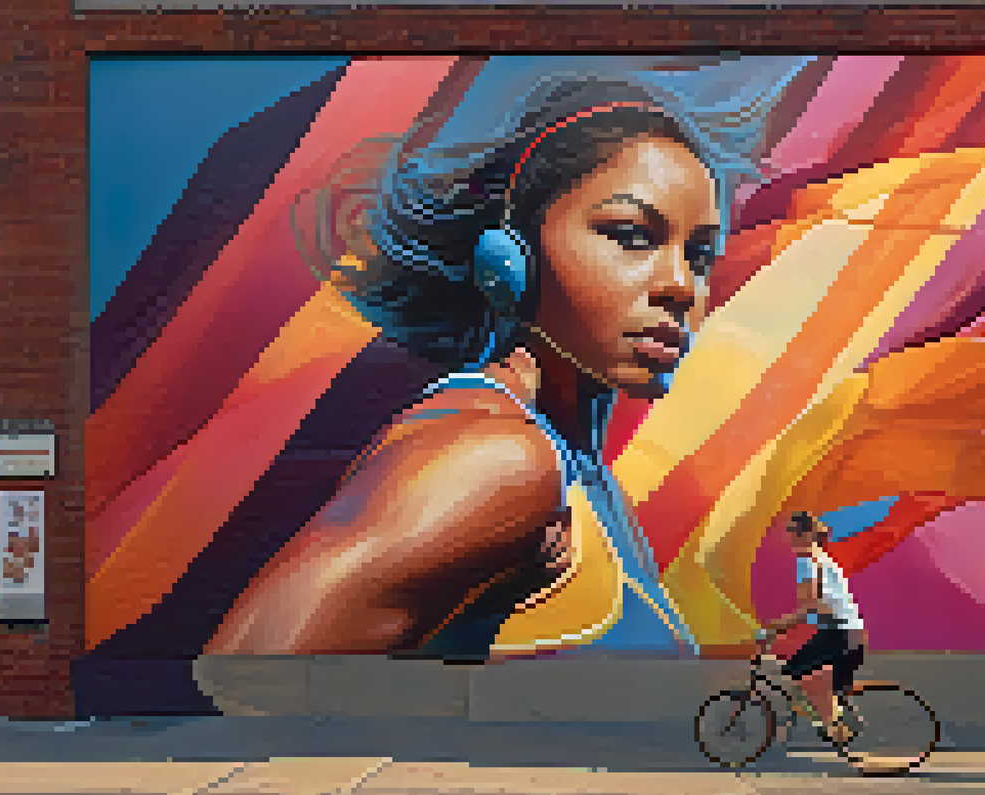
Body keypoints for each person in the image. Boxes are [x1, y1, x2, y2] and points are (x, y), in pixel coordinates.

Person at [205, 75, 753, 661]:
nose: (679, 285)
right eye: (630, 236)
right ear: (510, 257)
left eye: (698, 255)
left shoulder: (578, 472)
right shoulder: (495, 459)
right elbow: (248, 672)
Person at [760, 511, 867, 745]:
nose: (792, 541)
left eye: (796, 534)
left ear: (809, 535)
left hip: (838, 633)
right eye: (790, 535)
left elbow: (809, 608)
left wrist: (773, 629)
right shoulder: (825, 559)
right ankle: (833, 721)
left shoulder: (807, 562)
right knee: (810, 679)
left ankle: (833, 727)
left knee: (793, 672)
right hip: (851, 633)